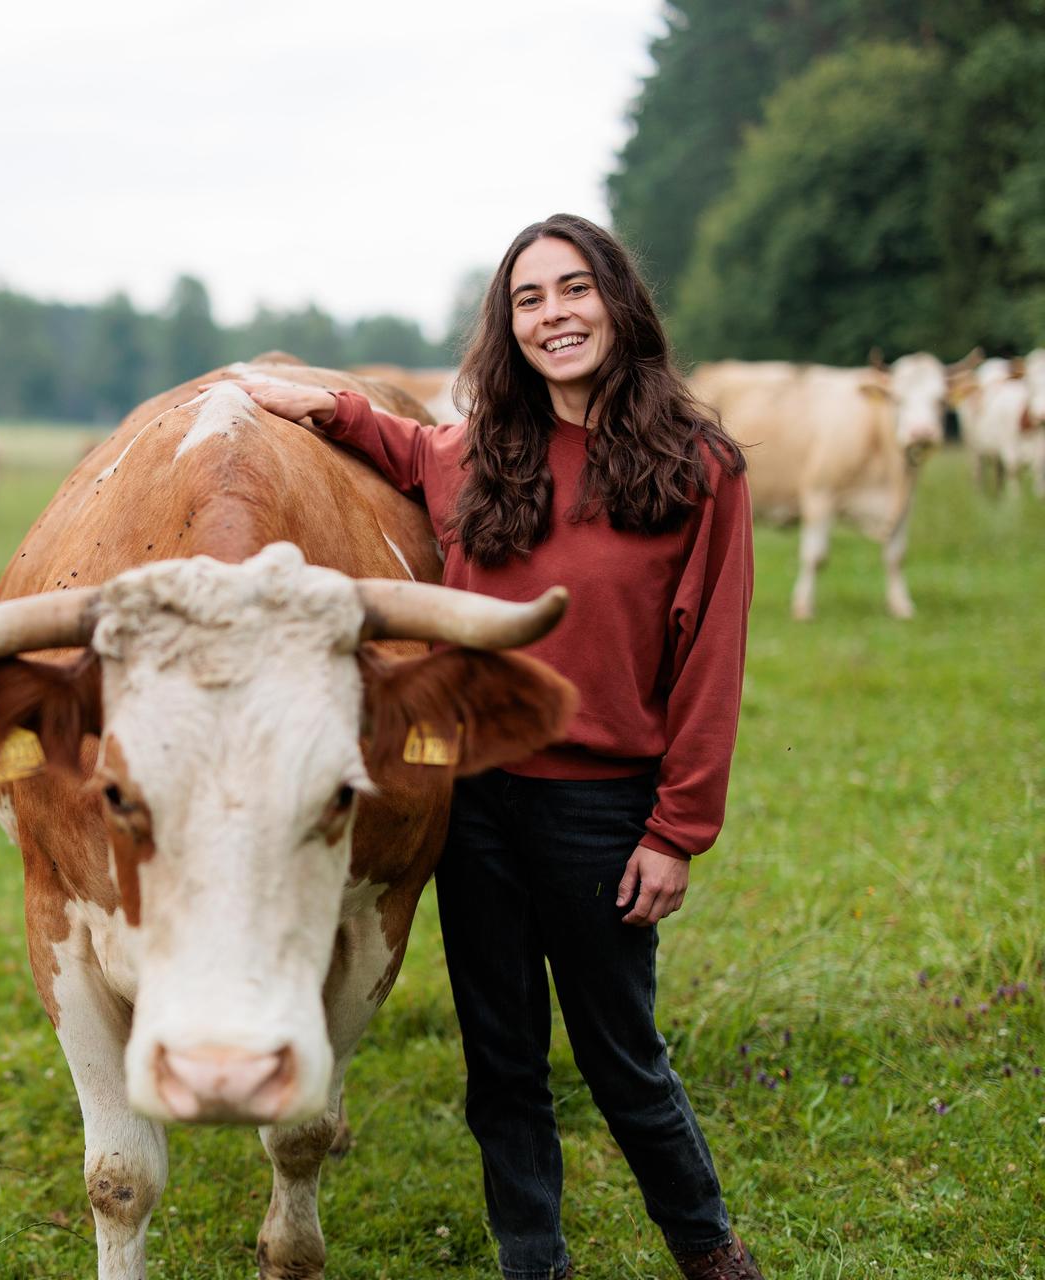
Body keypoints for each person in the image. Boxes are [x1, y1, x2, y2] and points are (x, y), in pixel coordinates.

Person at [235, 213, 761, 1280]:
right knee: (503, 1060)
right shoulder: (481, 453)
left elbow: (713, 658)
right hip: (471, 801)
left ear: (617, 302)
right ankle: (535, 1261)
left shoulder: (700, 469)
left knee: (622, 1059)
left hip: (601, 811)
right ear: (507, 325)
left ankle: (708, 1250)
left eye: (574, 290)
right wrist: (329, 407)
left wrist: (677, 832)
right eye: (529, 299)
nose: (553, 315)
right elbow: (402, 447)